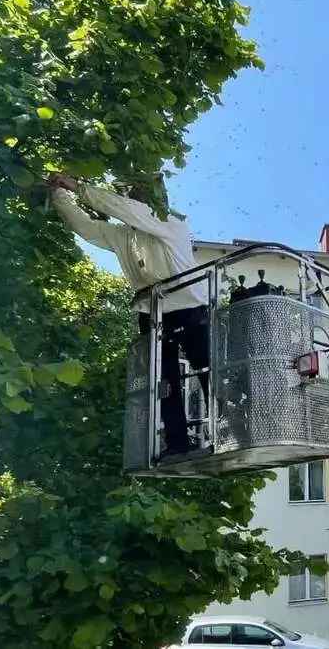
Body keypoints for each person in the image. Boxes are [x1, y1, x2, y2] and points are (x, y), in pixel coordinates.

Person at [47, 173, 209, 458]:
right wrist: (59, 193)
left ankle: (231, 432)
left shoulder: (169, 222)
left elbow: (129, 211)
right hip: (152, 312)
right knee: (164, 381)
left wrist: (79, 185)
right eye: (130, 193)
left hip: (189, 308)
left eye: (136, 193)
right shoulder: (124, 236)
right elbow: (84, 226)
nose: (132, 198)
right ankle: (177, 444)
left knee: (209, 372)